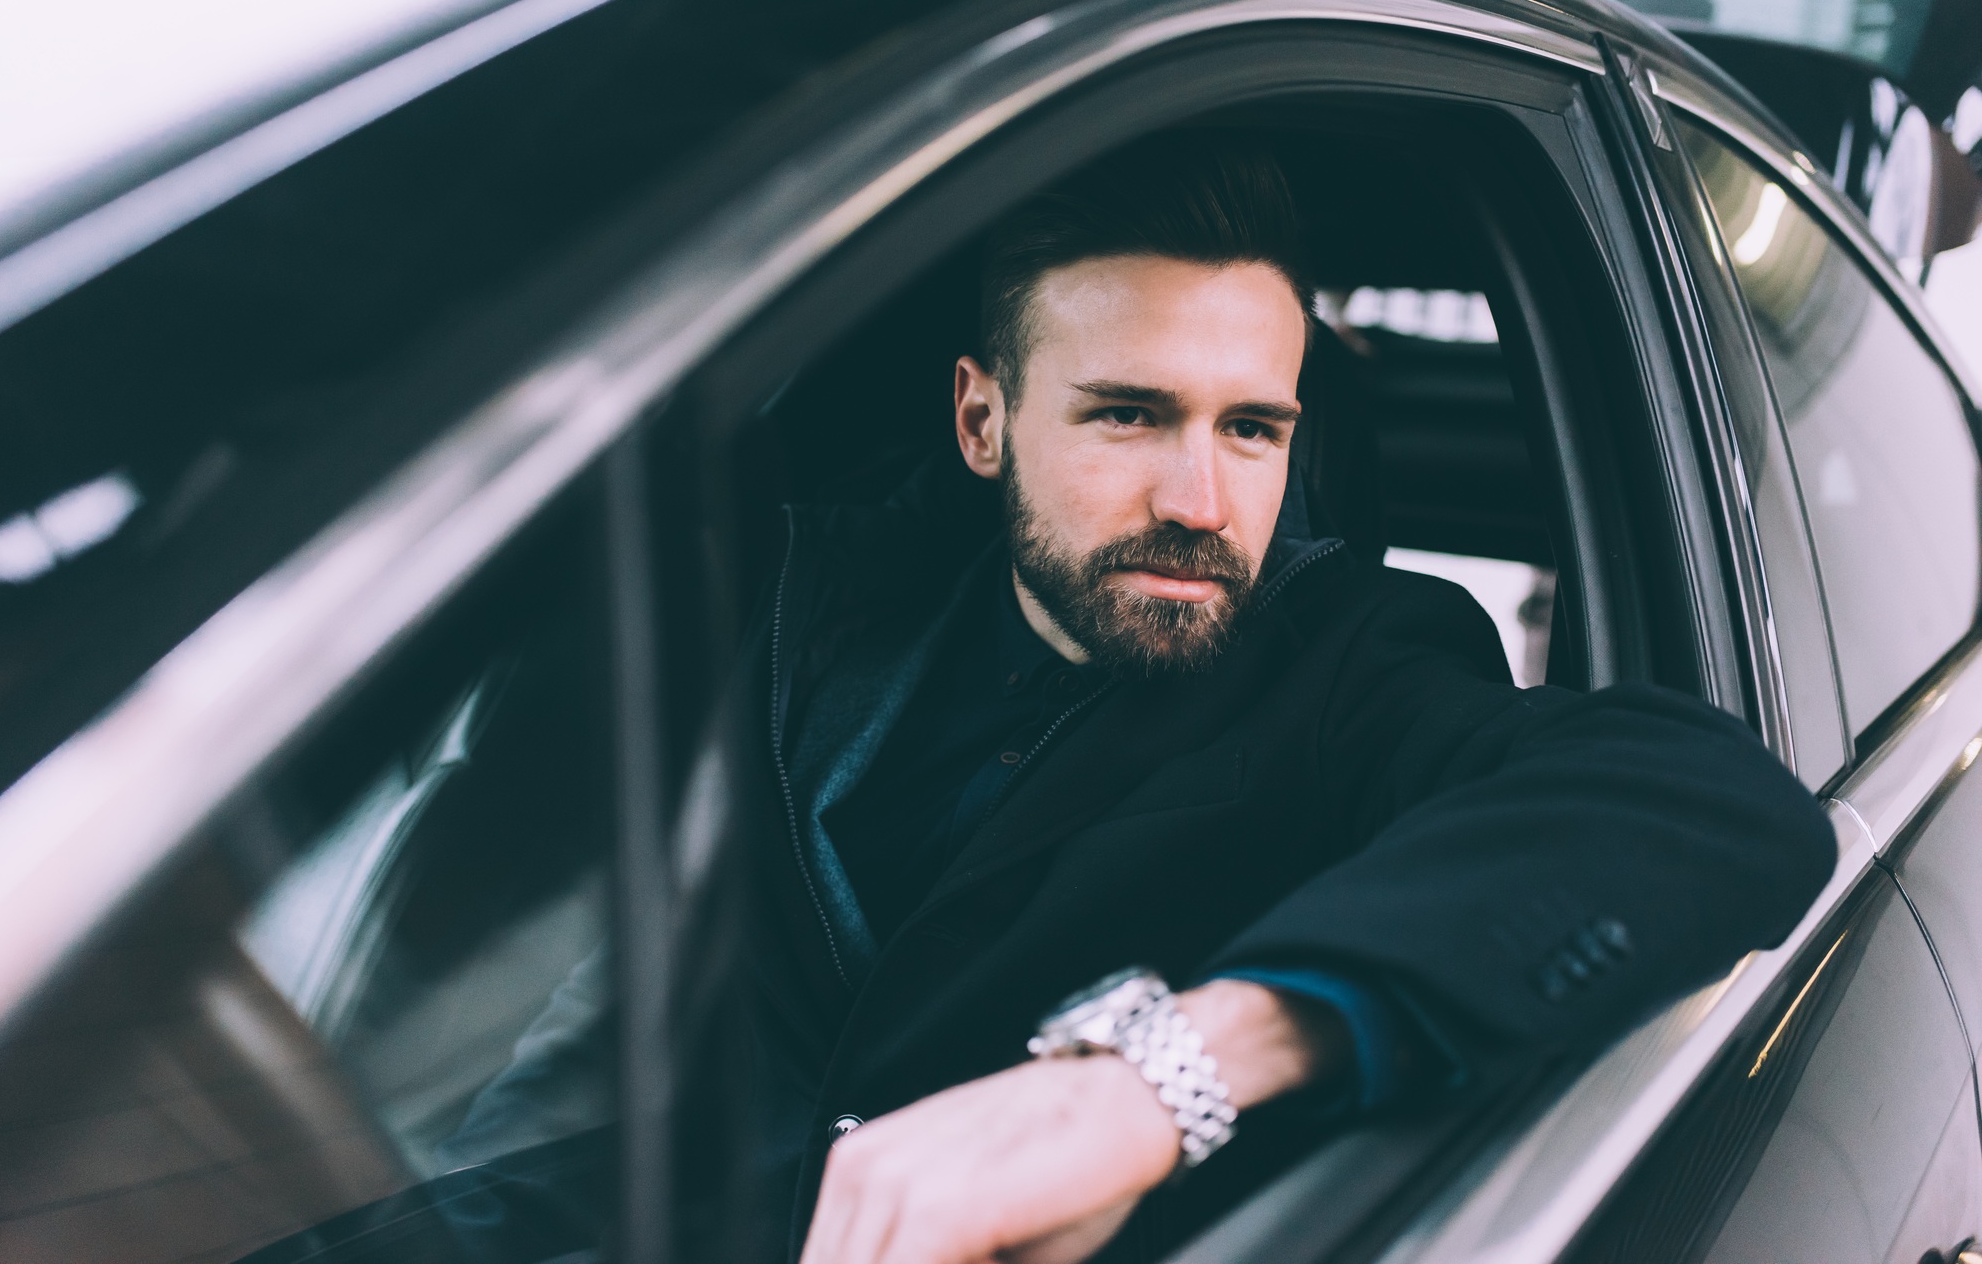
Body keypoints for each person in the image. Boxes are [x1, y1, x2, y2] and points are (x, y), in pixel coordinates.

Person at [736, 132, 1835, 1264]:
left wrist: (1164, 1074)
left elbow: (1714, 804)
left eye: (1250, 428)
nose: (1201, 500)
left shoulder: (1354, 665)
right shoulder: (797, 607)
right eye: (1127, 413)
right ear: (982, 421)